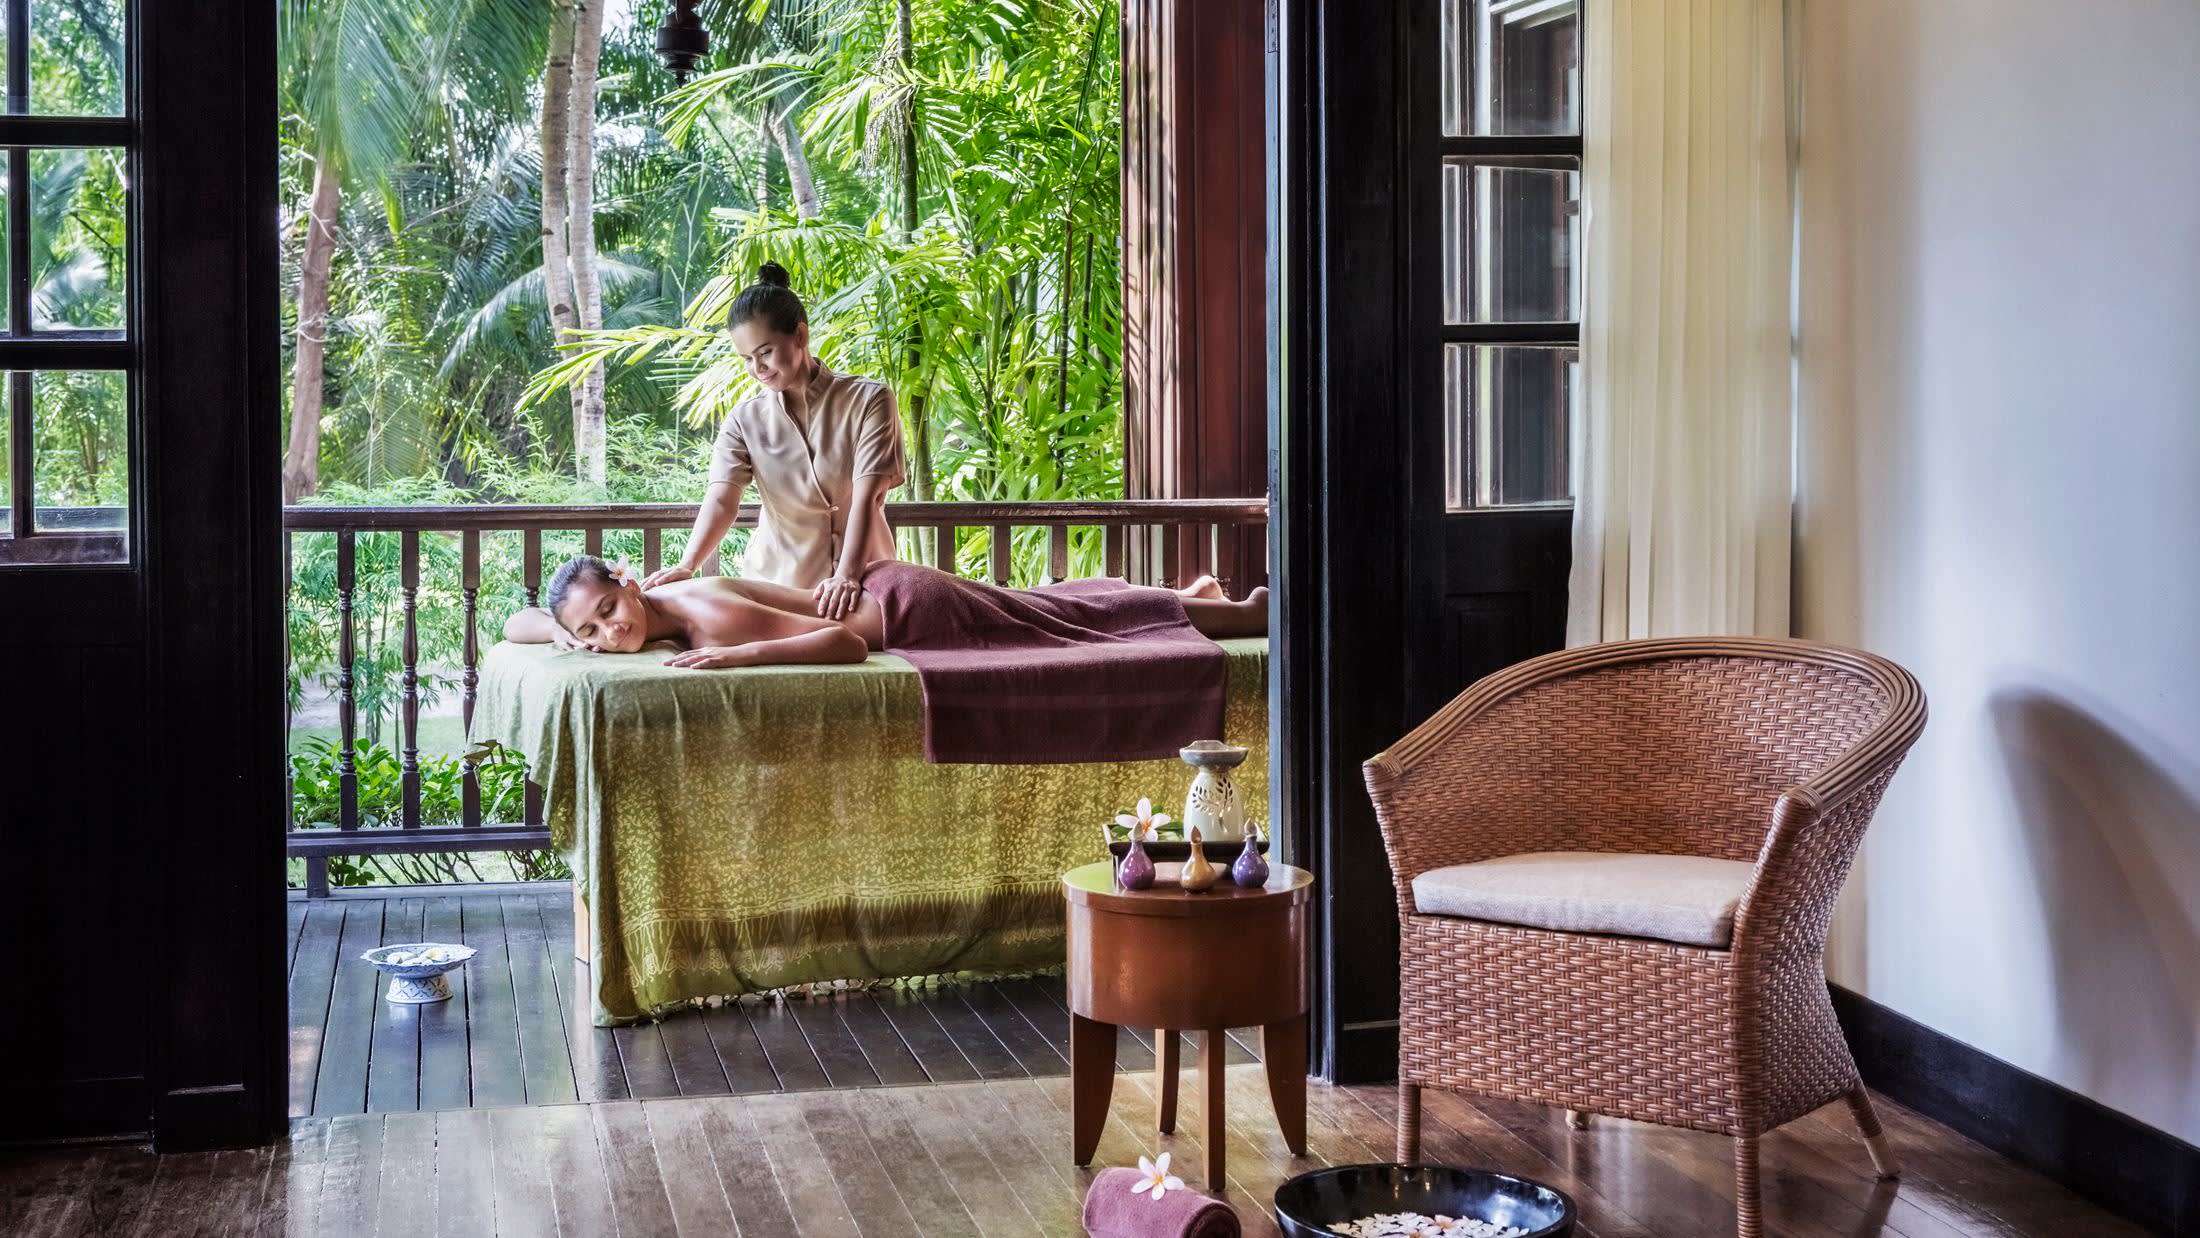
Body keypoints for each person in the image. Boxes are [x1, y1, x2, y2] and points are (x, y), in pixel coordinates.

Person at [641, 261, 905, 623]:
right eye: (747, 358)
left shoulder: (870, 400)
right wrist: (688, 565)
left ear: (800, 335)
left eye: (765, 352)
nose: (757, 368)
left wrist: (847, 575)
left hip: (865, 588)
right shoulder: (743, 420)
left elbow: (868, 495)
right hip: (777, 589)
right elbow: (721, 499)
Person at [504, 555, 1267, 669]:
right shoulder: (651, 610)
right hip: (891, 594)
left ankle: (1249, 613)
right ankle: (1195, 596)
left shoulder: (707, 619)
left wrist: (740, 658)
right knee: (1060, 604)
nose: (613, 632)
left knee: (1085, 625)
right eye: (592, 631)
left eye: (610, 609)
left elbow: (840, 644)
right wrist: (571, 637)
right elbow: (517, 623)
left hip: (908, 615)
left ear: (631, 583)